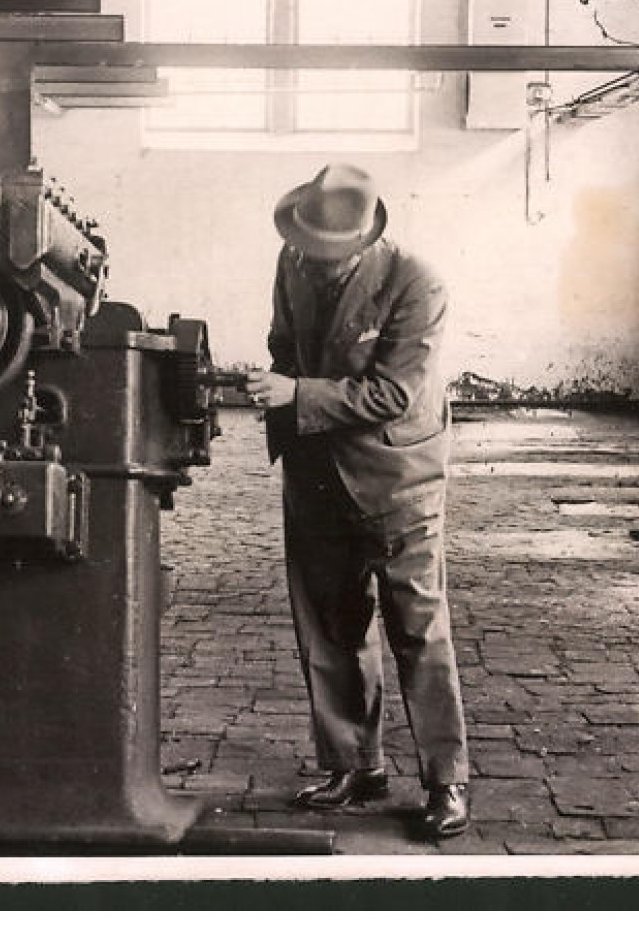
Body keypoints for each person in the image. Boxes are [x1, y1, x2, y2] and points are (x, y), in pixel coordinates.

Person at [245, 163, 470, 841]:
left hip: (397, 477)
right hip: (316, 474)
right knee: (331, 626)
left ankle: (446, 779)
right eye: (308, 247)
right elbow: (284, 342)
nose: (316, 261)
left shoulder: (416, 283)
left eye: (329, 253)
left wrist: (298, 395)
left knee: (417, 627)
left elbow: (394, 395)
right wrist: (279, 379)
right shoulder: (293, 261)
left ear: (365, 240)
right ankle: (353, 763)